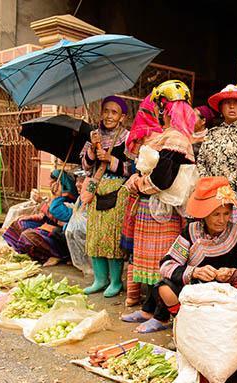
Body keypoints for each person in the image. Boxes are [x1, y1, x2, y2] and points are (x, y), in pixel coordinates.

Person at [123, 176, 237, 332]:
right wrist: (195, 272)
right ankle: (182, 323)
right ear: (204, 214)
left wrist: (233, 273)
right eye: (216, 214)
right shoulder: (191, 231)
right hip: (196, 291)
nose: (222, 220)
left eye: (226, 214)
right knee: (163, 286)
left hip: (227, 295)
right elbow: (167, 265)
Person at [120, 80, 198, 332]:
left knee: (164, 262)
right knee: (153, 262)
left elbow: (163, 178)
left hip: (164, 210)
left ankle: (162, 315)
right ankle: (148, 309)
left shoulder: (175, 138)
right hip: (152, 208)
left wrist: (138, 183)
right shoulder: (165, 135)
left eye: (161, 106)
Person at [80, 95, 131, 298]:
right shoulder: (93, 136)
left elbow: (133, 168)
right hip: (96, 191)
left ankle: (116, 281)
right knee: (95, 235)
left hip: (118, 193)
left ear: (122, 117)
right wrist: (92, 151)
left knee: (112, 237)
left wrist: (111, 159)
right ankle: (99, 279)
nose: (109, 116)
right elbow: (84, 166)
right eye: (106, 111)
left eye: (114, 112)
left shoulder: (128, 138)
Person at [121, 93, 165, 307]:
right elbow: (132, 167)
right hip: (143, 201)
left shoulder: (169, 137)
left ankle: (156, 302)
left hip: (159, 199)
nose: (160, 112)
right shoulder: (141, 133)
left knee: (158, 253)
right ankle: (137, 296)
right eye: (157, 107)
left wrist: (139, 179)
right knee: (140, 251)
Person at [196, 84, 237, 233]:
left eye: (236, 103)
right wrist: (208, 183)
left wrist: (225, 183)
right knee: (213, 236)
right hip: (211, 194)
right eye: (227, 102)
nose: (232, 106)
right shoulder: (212, 134)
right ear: (221, 108)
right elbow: (201, 161)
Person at [3, 170, 77, 265]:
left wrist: (53, 197)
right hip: (47, 225)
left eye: (52, 181)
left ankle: (55, 255)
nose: (50, 183)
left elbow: (54, 213)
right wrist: (31, 217)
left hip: (59, 233)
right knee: (19, 224)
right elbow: (44, 215)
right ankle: (20, 251)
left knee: (28, 236)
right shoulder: (55, 195)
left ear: (59, 183)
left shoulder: (69, 198)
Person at [65, 169, 92, 276]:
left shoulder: (90, 196)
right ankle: (84, 266)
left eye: (81, 181)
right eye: (77, 181)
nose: (77, 184)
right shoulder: (79, 199)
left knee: (76, 232)